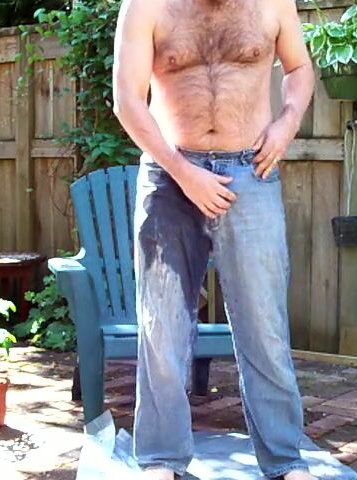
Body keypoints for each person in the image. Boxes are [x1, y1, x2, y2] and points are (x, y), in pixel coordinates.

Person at [112, 0, 316, 478]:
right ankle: (161, 459)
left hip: (251, 173)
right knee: (161, 327)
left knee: (264, 325)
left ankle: (285, 460)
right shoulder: (145, 6)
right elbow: (126, 98)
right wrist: (184, 173)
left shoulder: (273, 3)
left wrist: (286, 124)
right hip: (168, 176)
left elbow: (300, 68)